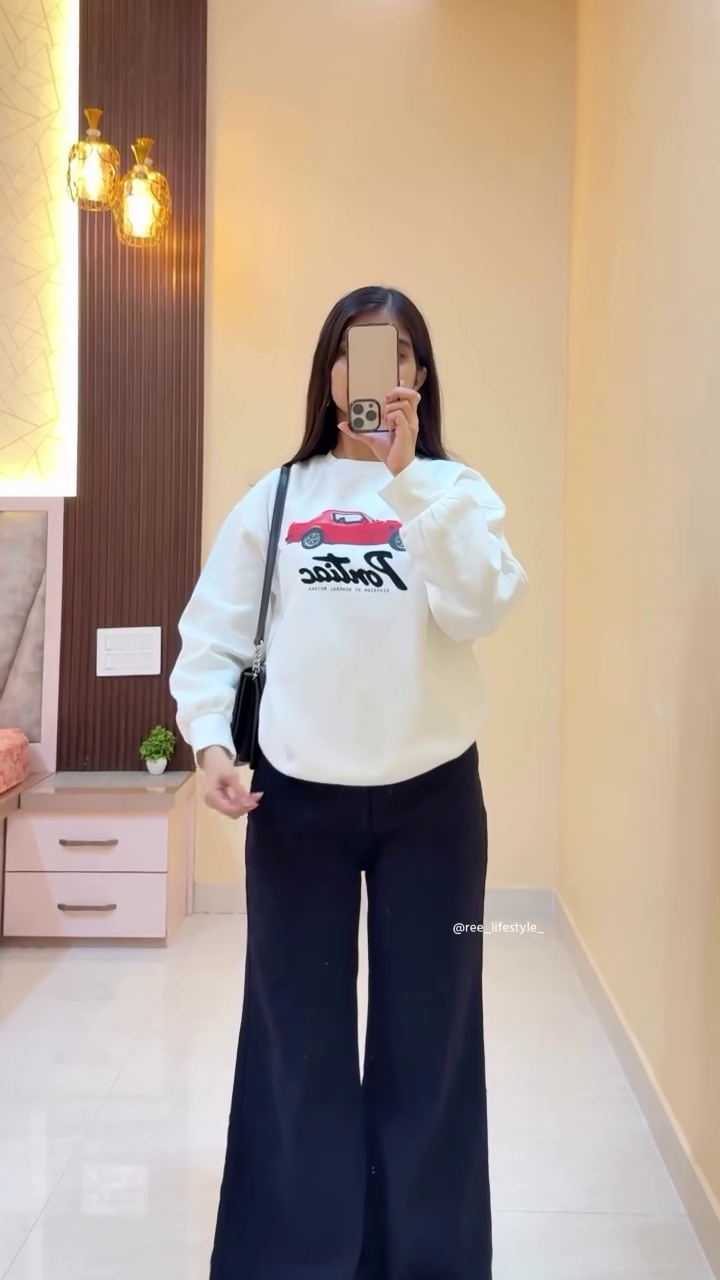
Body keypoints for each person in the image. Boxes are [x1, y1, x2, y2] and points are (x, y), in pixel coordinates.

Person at [170, 285, 527, 1280]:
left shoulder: (455, 492)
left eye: (397, 353)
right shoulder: (279, 497)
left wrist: (409, 479)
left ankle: (425, 1260)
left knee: (432, 1039)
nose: (376, 372)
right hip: (298, 806)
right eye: (356, 352)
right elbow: (214, 635)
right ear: (330, 373)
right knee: (299, 1038)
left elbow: (480, 607)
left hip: (434, 805)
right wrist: (210, 743)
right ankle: (300, 1258)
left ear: (420, 376)